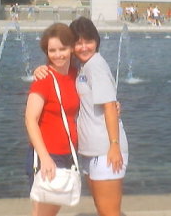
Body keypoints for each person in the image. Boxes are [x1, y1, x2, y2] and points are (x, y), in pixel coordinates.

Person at [34, 17, 129, 216]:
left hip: (105, 150)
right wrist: (41, 69)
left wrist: (114, 144)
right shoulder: (81, 68)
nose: (84, 47)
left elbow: (110, 107)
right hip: (89, 151)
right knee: (104, 209)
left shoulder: (96, 65)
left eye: (89, 41)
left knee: (109, 211)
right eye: (78, 42)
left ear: (97, 41)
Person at [25, 23, 80, 216]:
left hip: (68, 152)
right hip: (48, 155)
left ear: (71, 47)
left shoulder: (75, 74)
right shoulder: (44, 79)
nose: (58, 55)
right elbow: (31, 120)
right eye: (52, 50)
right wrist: (45, 158)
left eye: (62, 49)